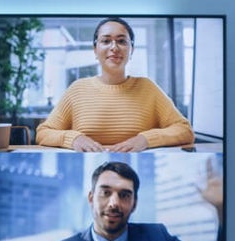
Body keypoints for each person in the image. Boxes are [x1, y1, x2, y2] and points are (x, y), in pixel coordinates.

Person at [40, 159, 223, 241]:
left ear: (134, 203)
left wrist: (222, 209)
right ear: (90, 198)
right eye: (105, 192)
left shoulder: (158, 238)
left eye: (124, 195)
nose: (114, 203)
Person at [35, 17, 194, 151]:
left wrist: (145, 140)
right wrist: (74, 139)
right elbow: (43, 133)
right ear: (95, 50)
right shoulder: (77, 89)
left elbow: (184, 130)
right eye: (105, 41)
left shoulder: (148, 88)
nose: (114, 47)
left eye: (121, 41)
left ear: (131, 50)